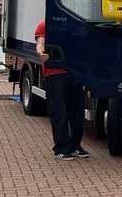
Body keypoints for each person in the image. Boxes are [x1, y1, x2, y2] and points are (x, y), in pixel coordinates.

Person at [35, 19, 90, 160]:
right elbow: (40, 43)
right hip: (55, 75)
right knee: (59, 111)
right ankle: (61, 148)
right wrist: (41, 53)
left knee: (77, 111)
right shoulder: (44, 25)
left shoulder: (72, 23)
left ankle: (75, 146)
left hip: (74, 73)